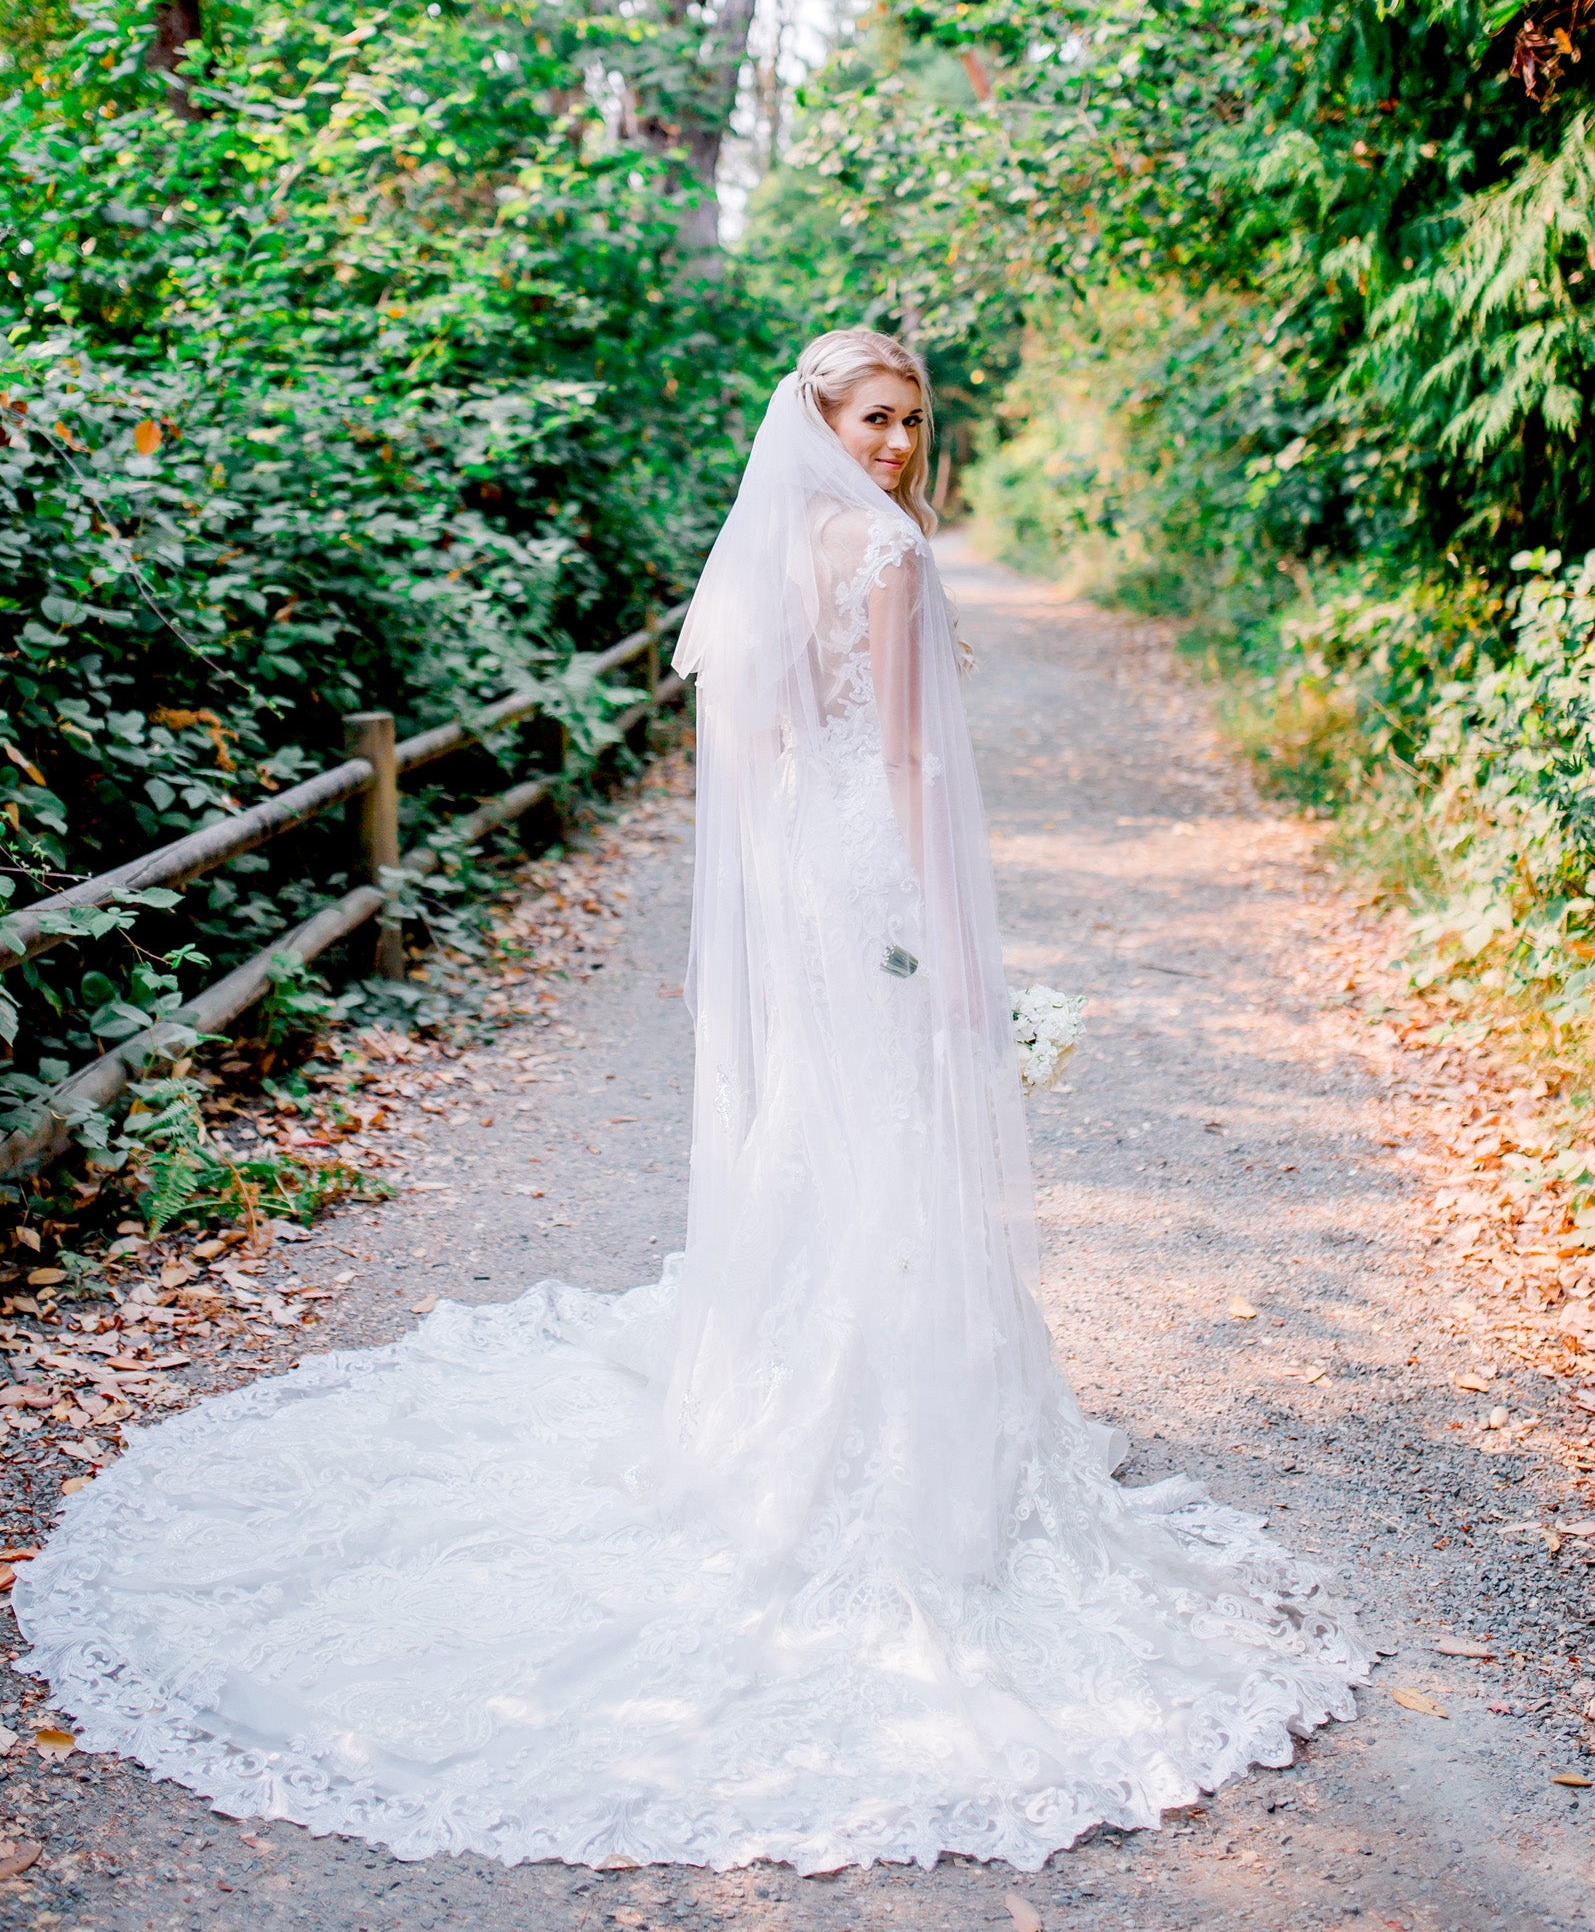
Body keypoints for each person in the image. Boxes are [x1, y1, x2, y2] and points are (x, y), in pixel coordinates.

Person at [11, 327, 1368, 1875]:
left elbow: (768, 745)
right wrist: (953, 941)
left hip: (805, 869)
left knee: (827, 1138)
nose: (897, 447)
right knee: (890, 1144)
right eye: (872, 418)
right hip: (873, 876)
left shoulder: (779, 545)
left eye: (912, 422)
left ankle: (817, 1394)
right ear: (821, 417)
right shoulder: (893, 559)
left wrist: (829, 876)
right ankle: (889, 1431)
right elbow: (918, 769)